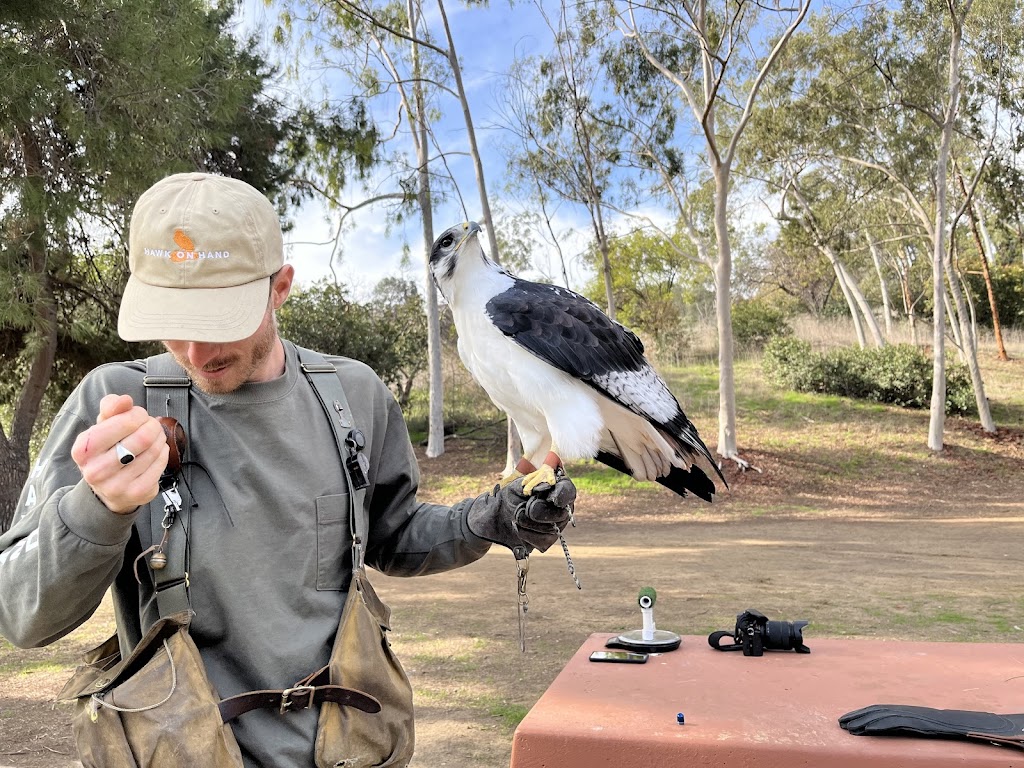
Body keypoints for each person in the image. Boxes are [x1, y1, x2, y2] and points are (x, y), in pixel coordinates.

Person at [0, 172, 576, 767]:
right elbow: (20, 614)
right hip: (180, 752)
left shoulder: (355, 395)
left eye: (221, 322)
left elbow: (395, 536)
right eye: (175, 322)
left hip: (344, 752)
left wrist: (489, 518)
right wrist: (99, 508)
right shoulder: (116, 405)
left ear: (280, 287)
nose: (197, 354)